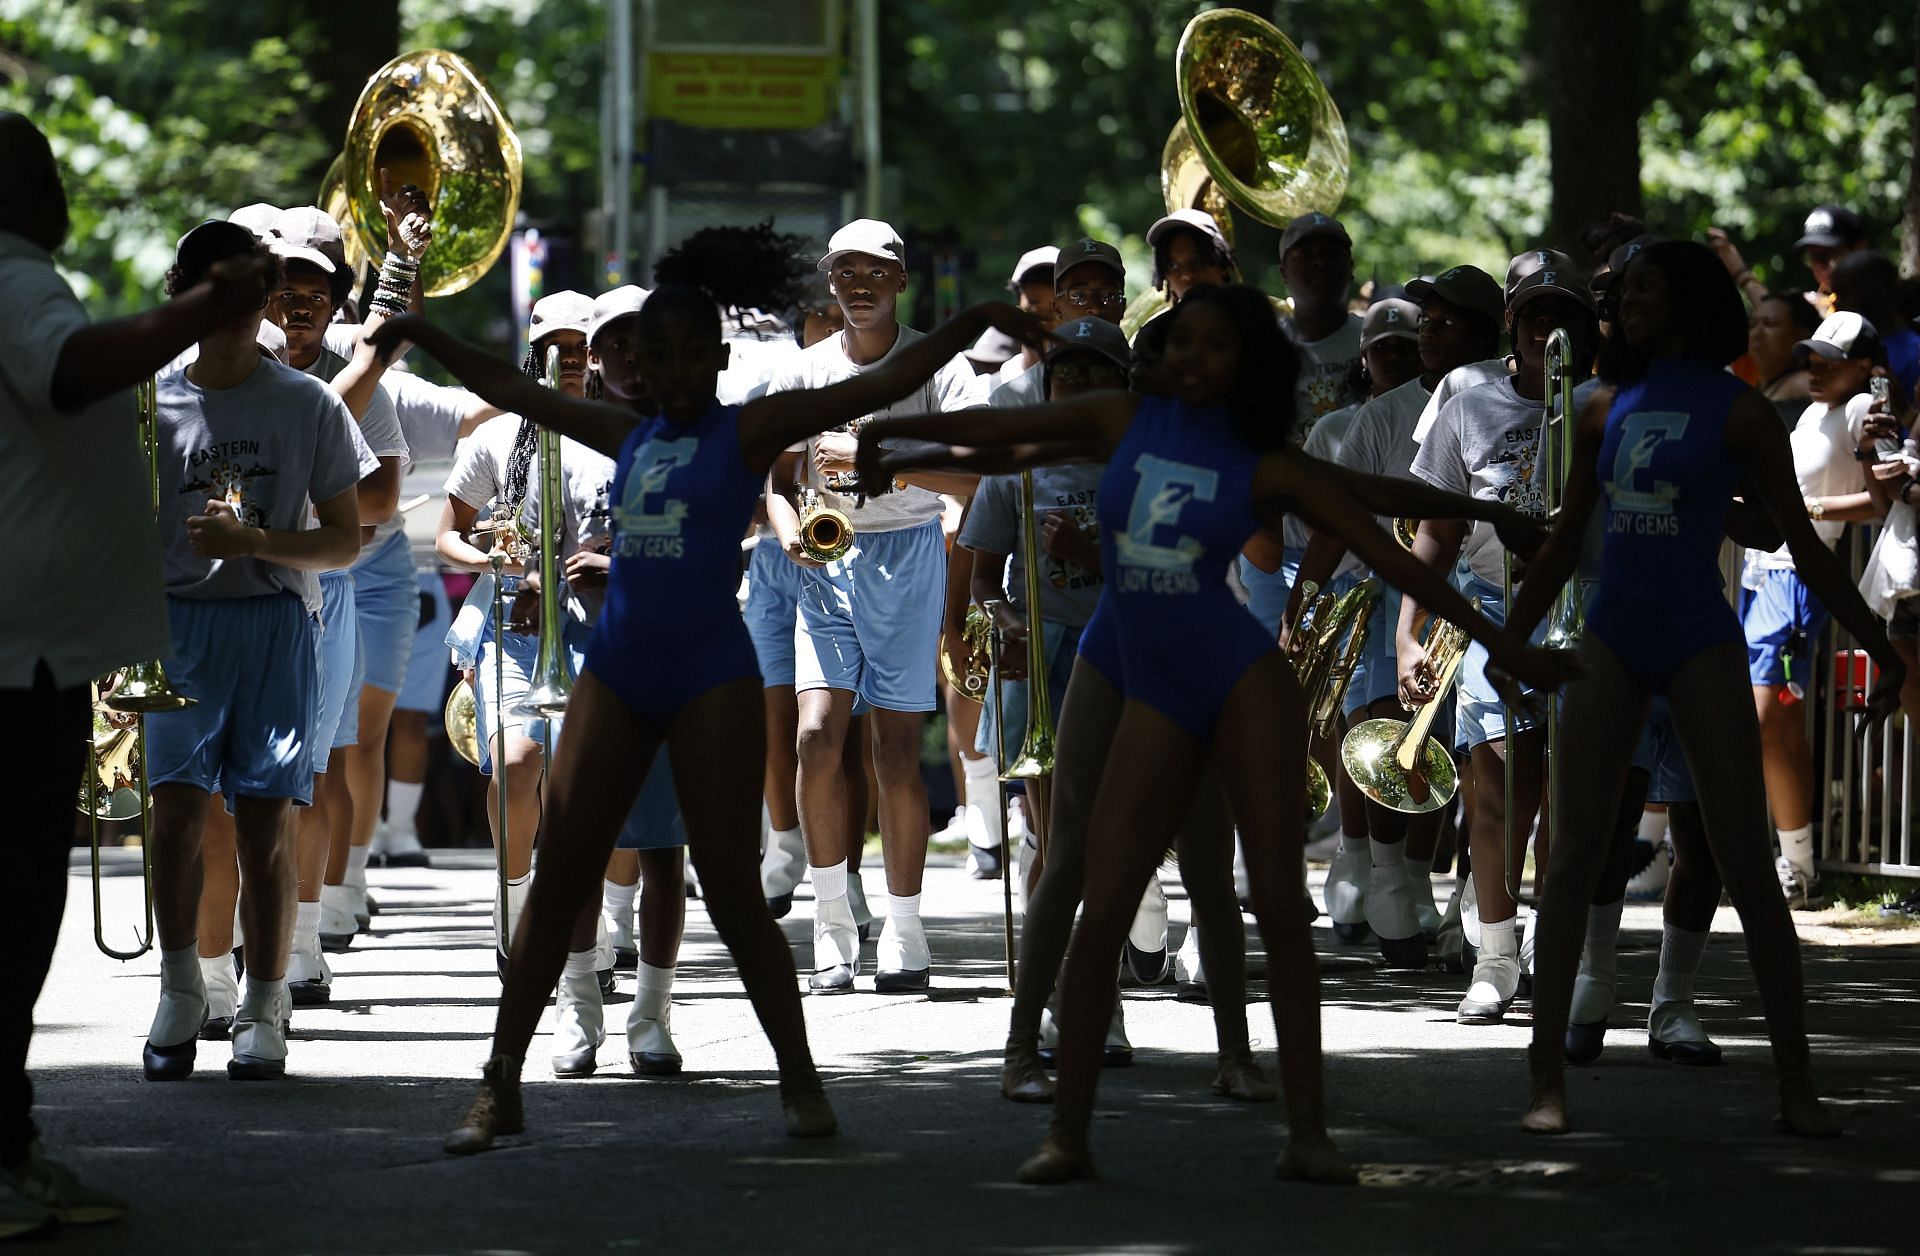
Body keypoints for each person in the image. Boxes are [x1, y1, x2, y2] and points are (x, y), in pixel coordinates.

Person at [854, 282, 1573, 1186]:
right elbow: (997, 441)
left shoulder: (1261, 461)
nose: (1193, 357)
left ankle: (1309, 1135)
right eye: (1180, 340)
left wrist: (1512, 645)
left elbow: (1382, 536)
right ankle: (1068, 1134)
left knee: (1275, 901)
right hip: (1143, 671)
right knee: (1104, 898)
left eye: (1217, 346)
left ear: (1249, 367)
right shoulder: (1120, 417)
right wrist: (889, 443)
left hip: (1234, 677)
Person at [367, 290, 1050, 1155]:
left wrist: (969, 321)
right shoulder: (627, 434)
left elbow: (890, 373)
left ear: (718, 361)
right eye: (660, 355)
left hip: (709, 675)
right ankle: (500, 1084)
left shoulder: (750, 431)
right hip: (617, 672)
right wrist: (421, 331)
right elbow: (516, 386)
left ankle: (800, 1079)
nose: (678, 369)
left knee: (730, 888)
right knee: (563, 868)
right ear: (639, 367)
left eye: (695, 353)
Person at [1505, 239, 1903, 1137]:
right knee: (1570, 858)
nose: (1626, 301)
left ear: (1687, 300)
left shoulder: (1743, 413)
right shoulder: (1601, 404)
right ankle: (1544, 1084)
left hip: (1699, 637)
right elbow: (1568, 539)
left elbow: (1797, 542)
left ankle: (1797, 1086)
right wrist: (1508, 636)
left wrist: (1879, 642)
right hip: (1612, 632)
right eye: (1625, 290)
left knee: (1746, 865)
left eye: (1645, 288)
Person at [0, 110, 272, 1232]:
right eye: (41, 169)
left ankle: (9, 1142)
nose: (61, 187)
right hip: (18, 658)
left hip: (40, 651)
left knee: (18, 911)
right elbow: (74, 369)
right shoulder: (15, 277)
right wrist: (207, 308)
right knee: (8, 909)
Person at [141, 220, 364, 1085]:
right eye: (215, 289)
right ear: (186, 296)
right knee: (173, 820)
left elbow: (344, 541)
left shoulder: (307, 402)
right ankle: (180, 990)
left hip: (273, 626)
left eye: (250, 290)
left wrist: (257, 541)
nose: (237, 309)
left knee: (270, 819)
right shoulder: (151, 402)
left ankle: (267, 1001)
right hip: (178, 628)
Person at [762, 219, 986, 995]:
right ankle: (831, 928)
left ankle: (905, 927)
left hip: (908, 553)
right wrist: (791, 531)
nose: (858, 284)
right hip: (825, 559)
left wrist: (883, 465)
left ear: (898, 281)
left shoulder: (942, 369)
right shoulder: (806, 369)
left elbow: (977, 481)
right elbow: (777, 476)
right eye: (844, 272)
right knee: (817, 737)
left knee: (895, 748)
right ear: (831, 284)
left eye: (874, 271)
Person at [1280, 266, 1507, 966]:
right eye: (1424, 321)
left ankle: (1470, 902)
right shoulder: (1381, 415)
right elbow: (1338, 518)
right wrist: (1303, 601)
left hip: (1492, 600)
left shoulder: (1508, 397)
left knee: (1479, 763)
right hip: (1397, 597)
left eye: (1444, 322)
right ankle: (1392, 878)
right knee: (1393, 738)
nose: (1427, 333)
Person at [1400, 257, 1600, 1023]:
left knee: (1570, 791)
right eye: (1535, 316)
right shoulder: (1468, 409)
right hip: (1492, 612)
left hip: (1582, 610)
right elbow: (1437, 532)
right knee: (1501, 788)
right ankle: (1495, 956)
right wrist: (1408, 634)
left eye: (1566, 316)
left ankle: (1560, 943)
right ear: (1512, 326)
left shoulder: (1601, 406)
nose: (1551, 330)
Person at [436, 290, 599, 961]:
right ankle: (513, 894)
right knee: (516, 759)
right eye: (555, 348)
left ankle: (597, 923)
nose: (568, 360)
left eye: (581, 348)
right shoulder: (495, 438)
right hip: (512, 622)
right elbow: (447, 537)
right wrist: (490, 558)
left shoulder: (614, 431)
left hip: (592, 623)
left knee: (585, 776)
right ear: (534, 354)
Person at [1742, 310, 1884, 909]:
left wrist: (1812, 515)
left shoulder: (1858, 411)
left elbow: (1880, 500)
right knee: (1769, 723)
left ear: (1863, 368)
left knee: (1773, 716)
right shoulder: (1810, 412)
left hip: (1799, 575)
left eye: (1831, 359)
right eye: (1813, 357)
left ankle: (1796, 866)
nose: (1816, 367)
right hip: (1761, 570)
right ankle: (1790, 861)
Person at [1831, 251, 1920, 405]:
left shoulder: (1913, 353)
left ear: (1876, 295)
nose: (1836, 303)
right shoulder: (1838, 350)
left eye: (1845, 294)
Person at [1748, 291, 1820, 424]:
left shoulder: (1805, 383)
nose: (1757, 333)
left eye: (1770, 323)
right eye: (1753, 324)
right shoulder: (1763, 385)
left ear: (1801, 336)